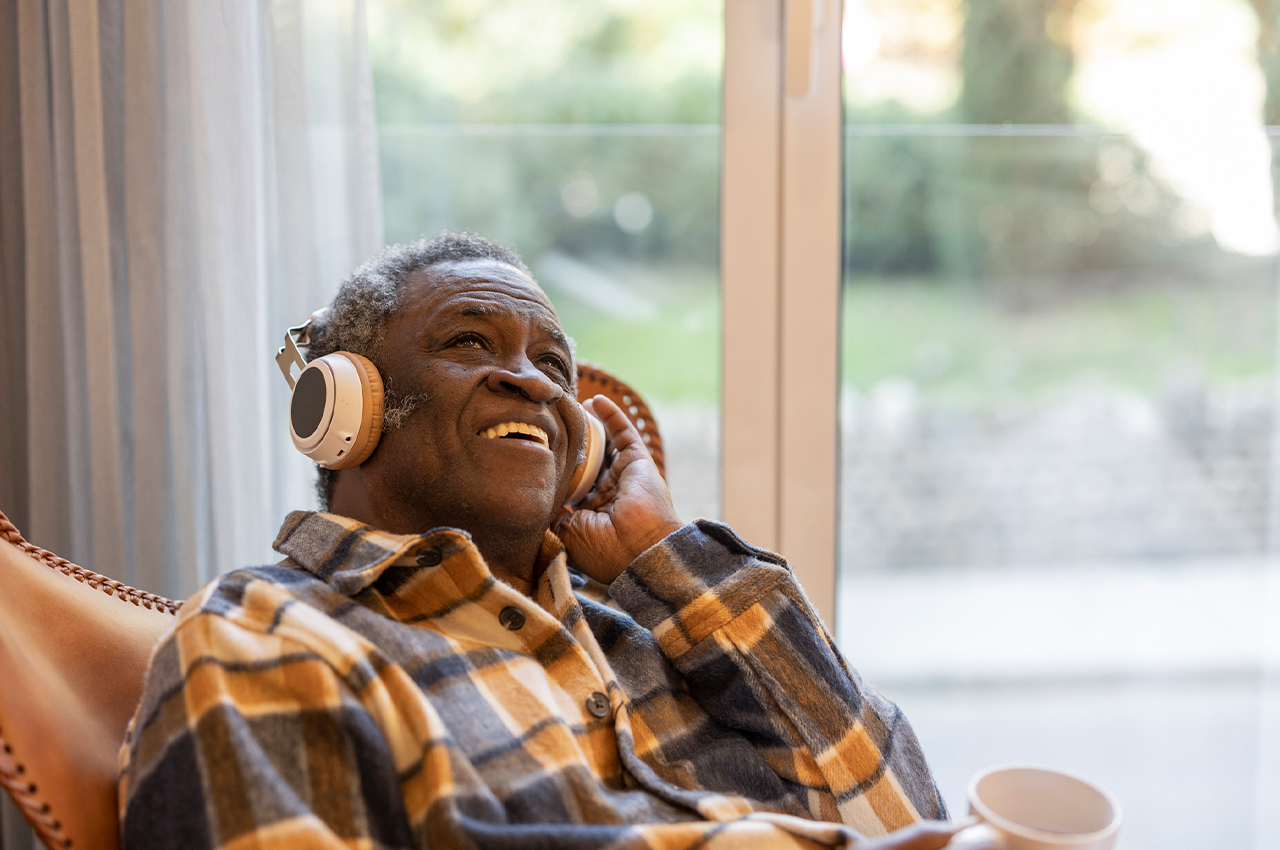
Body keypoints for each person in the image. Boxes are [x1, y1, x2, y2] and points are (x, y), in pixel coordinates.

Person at [118, 233, 988, 850]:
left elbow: (899, 813)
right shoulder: (265, 639)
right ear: (344, 409)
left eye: (556, 366)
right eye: (470, 341)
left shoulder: (653, 633)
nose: (530, 382)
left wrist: (665, 551)